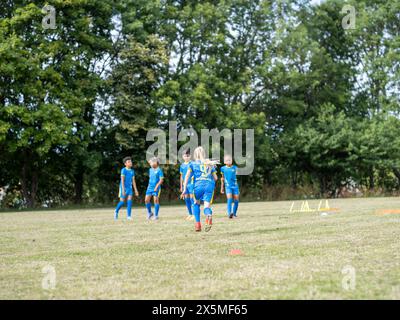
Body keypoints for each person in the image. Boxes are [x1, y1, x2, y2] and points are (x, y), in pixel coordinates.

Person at [181, 146, 218, 232]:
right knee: (206, 206)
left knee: (195, 203)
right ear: (204, 154)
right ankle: (208, 214)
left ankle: (198, 225)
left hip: (198, 186)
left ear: (195, 155)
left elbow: (186, 177)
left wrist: (184, 189)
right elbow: (215, 178)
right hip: (209, 185)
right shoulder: (209, 164)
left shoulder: (192, 164)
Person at [180, 149, 194, 221]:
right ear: (183, 157)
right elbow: (181, 177)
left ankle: (194, 214)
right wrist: (181, 186)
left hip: (191, 183)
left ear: (190, 156)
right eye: (185, 156)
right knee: (186, 198)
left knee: (192, 198)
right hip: (185, 184)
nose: (187, 157)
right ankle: (190, 214)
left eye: (188, 156)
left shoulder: (192, 164)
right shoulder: (182, 165)